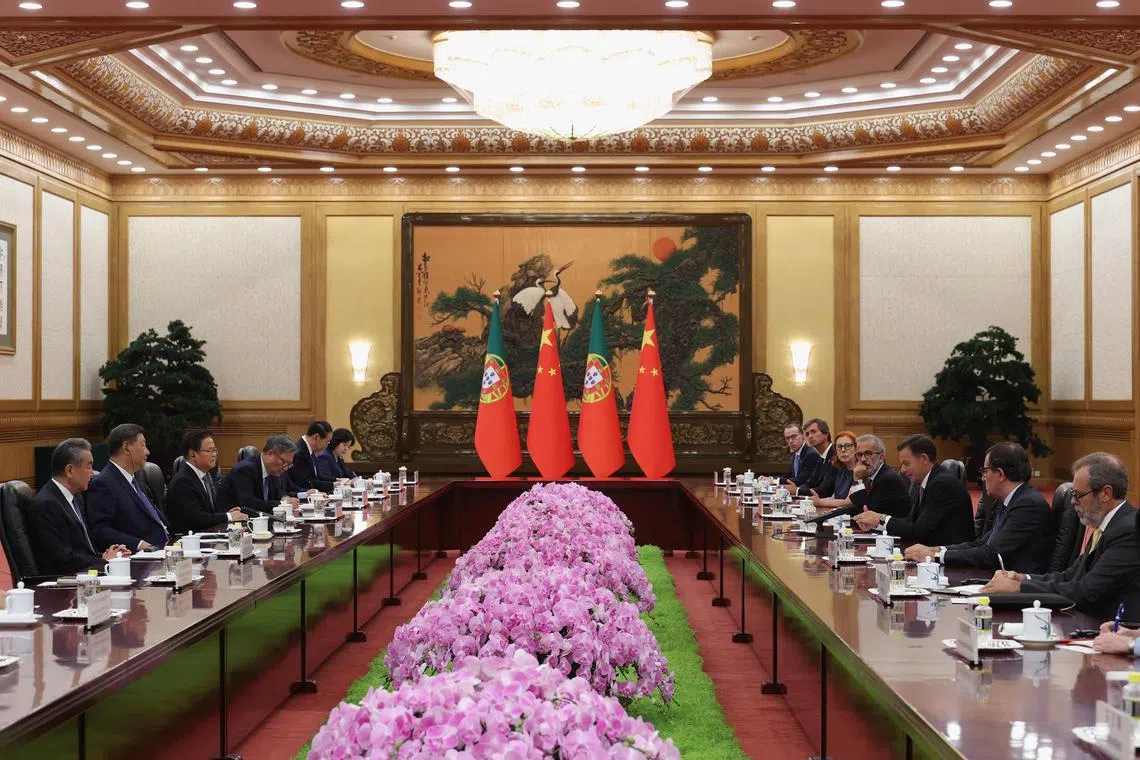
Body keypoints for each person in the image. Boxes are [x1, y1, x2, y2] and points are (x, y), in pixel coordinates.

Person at [982, 452, 1140, 620]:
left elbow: (1086, 591)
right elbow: (1070, 576)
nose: (1073, 502)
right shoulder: (1108, 525)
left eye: (1078, 495)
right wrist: (1022, 577)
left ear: (1105, 494)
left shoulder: (1127, 531)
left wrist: (1019, 588)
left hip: (1114, 629)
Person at [904, 442, 1052, 572]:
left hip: (1018, 592)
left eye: (985, 471)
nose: (982, 477)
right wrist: (937, 550)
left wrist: (935, 556)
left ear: (1000, 474)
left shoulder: (1027, 505)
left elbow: (991, 555)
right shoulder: (1013, 499)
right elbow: (983, 543)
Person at [25, 438, 132, 575]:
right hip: (66, 585)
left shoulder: (75, 497)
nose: (92, 472)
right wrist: (104, 562)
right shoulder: (46, 505)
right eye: (89, 466)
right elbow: (64, 559)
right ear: (69, 470)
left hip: (87, 573)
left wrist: (107, 556)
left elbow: (83, 549)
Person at [854, 434, 974, 545]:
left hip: (950, 560)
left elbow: (919, 531)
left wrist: (881, 519)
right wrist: (877, 523)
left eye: (906, 464)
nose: (902, 470)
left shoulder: (942, 484)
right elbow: (910, 522)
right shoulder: (924, 482)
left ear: (924, 459)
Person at [86, 424, 171, 551]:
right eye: (143, 445)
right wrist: (138, 544)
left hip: (165, 549)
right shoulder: (103, 483)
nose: (147, 451)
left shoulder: (134, 479)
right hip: (141, 558)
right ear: (126, 448)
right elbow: (100, 529)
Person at [165, 431, 250, 534]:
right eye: (209, 451)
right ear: (193, 455)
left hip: (206, 534)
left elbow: (208, 514)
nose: (214, 455)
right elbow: (197, 518)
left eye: (215, 450)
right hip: (189, 541)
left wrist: (226, 514)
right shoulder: (183, 481)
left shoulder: (206, 476)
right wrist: (229, 516)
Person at [217, 435, 300, 515]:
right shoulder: (245, 469)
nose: (285, 468)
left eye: (289, 464)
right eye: (284, 462)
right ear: (270, 454)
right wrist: (283, 503)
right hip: (228, 525)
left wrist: (284, 498)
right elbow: (248, 503)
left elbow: (276, 495)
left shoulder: (272, 470)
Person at [846, 434, 911, 518]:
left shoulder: (888, 478)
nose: (863, 459)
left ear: (881, 457)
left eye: (868, 453)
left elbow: (866, 511)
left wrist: (857, 480)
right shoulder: (869, 475)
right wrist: (835, 513)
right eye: (859, 454)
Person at [809, 430, 858, 509]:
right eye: (839, 446)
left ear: (856, 448)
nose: (843, 450)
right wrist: (812, 501)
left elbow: (848, 502)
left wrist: (820, 502)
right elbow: (834, 498)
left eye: (848, 446)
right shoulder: (841, 469)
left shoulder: (860, 471)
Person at [288, 420, 334, 493]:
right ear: (316, 437)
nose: (327, 445)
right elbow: (304, 482)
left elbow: (316, 477)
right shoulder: (300, 452)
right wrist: (332, 485)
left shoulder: (311, 450)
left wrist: (336, 482)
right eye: (327, 441)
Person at [797, 418, 834, 496]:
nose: (810, 436)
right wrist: (798, 489)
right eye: (807, 434)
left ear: (826, 434)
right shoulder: (821, 456)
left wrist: (797, 491)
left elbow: (825, 490)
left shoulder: (835, 455)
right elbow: (810, 482)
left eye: (813, 432)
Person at [782, 423, 822, 491]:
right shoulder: (796, 454)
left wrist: (775, 481)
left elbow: (801, 479)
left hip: (806, 493)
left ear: (803, 436)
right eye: (787, 438)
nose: (790, 441)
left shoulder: (811, 454)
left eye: (794, 436)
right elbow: (788, 476)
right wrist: (771, 479)